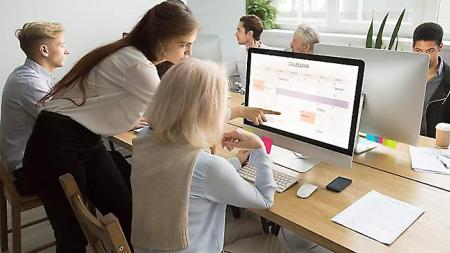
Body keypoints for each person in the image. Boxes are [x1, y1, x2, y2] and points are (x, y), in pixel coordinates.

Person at [20, 1, 199, 252]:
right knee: (71, 234)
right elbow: (174, 113)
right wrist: (232, 112)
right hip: (57, 140)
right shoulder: (136, 63)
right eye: (184, 44)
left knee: (125, 212)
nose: (189, 52)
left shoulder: (130, 54)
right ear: (160, 39)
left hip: (84, 137)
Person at [131, 58, 286, 253]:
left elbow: (189, 174)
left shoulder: (145, 139)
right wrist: (259, 147)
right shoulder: (208, 166)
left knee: (253, 225)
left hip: (152, 243)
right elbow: (265, 200)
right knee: (271, 243)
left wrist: (235, 161)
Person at [0, 22, 69, 195]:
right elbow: (66, 126)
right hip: (24, 173)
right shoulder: (30, 84)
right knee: (106, 163)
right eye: (61, 45)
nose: (66, 51)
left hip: (26, 164)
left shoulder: (26, 75)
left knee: (109, 161)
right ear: (44, 50)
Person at [412, 22, 450, 137]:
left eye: (430, 51)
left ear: (440, 47)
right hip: (406, 139)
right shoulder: (405, 75)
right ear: (412, 48)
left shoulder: (448, 78)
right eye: (419, 50)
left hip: (435, 143)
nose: (424, 57)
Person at [228, 15, 268, 88]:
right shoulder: (240, 51)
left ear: (250, 34)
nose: (236, 34)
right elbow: (225, 71)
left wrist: (255, 57)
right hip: (243, 96)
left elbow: (264, 86)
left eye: (239, 30)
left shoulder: (268, 55)